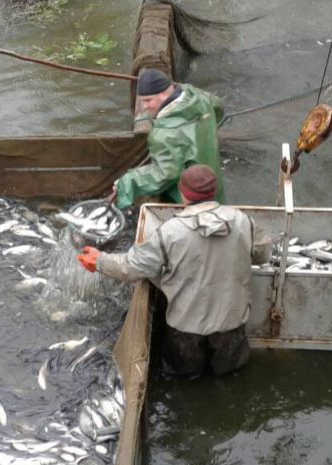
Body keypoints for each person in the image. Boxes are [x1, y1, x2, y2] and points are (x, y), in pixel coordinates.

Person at [80, 165, 271, 376]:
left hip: (185, 332)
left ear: (183, 193)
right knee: (232, 379)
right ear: (214, 191)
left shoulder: (170, 232)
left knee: (184, 383)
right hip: (231, 330)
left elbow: (132, 268)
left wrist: (100, 261)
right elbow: (263, 256)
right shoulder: (243, 221)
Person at [112, 68, 225, 210]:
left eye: (148, 100)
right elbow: (218, 107)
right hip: (213, 186)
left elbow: (165, 174)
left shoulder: (164, 134)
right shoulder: (198, 96)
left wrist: (127, 182)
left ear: (165, 93)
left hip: (190, 200)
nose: (144, 107)